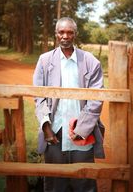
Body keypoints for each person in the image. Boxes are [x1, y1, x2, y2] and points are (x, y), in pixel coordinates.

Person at [33, 17, 105, 192]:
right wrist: (45, 126)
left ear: (75, 34)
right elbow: (39, 96)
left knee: (85, 182)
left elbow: (96, 99)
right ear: (56, 34)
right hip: (54, 134)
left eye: (69, 32)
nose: (65, 36)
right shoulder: (44, 60)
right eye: (61, 32)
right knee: (55, 184)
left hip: (82, 135)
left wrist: (82, 130)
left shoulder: (90, 61)